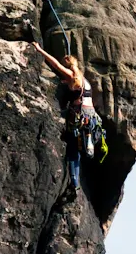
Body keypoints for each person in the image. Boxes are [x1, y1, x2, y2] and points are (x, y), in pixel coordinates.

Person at [31, 41, 100, 191]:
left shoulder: (71, 75)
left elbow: (55, 64)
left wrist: (39, 49)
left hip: (78, 114)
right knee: (81, 143)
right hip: (91, 115)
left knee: (73, 148)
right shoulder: (84, 79)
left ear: (68, 65)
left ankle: (74, 181)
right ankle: (88, 146)